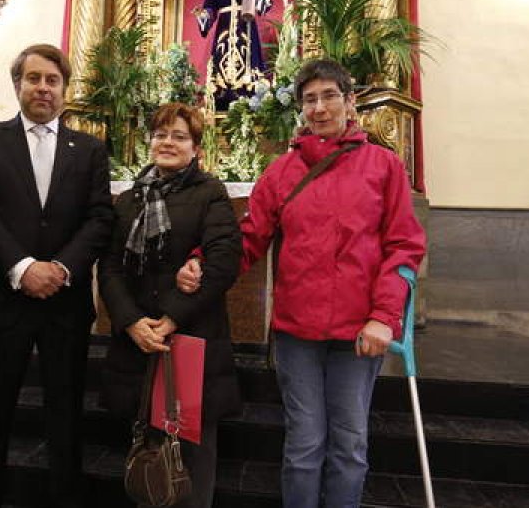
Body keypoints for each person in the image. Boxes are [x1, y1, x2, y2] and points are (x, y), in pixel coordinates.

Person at [177, 60, 426, 508]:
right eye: (309, 99)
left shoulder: (383, 166)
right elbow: (248, 238)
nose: (319, 107)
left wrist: (384, 317)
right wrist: (202, 262)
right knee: (305, 444)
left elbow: (403, 247)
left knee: (349, 445)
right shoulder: (282, 171)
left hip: (358, 332)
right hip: (297, 332)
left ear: (350, 103)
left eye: (329, 96)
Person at [0, 43, 114, 508]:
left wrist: (62, 268)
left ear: (65, 90)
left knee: (65, 415)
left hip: (64, 305)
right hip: (4, 301)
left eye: (52, 80)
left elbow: (100, 218)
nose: (43, 88)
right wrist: (23, 267)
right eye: (34, 78)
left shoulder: (88, 149)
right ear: (17, 85)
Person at [99, 103, 243, 508]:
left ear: (195, 147)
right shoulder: (129, 199)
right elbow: (109, 267)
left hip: (189, 339)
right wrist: (130, 322)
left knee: (191, 455)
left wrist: (170, 318)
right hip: (138, 340)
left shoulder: (210, 192)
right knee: (147, 451)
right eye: (161, 134)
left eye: (179, 136)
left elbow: (223, 261)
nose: (168, 143)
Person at [194, 0, 272, 109]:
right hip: (224, 28)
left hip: (246, 26)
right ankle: (220, 103)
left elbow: (265, 4)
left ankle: (250, 102)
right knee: (221, 64)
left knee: (249, 58)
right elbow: (210, 8)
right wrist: (203, 16)